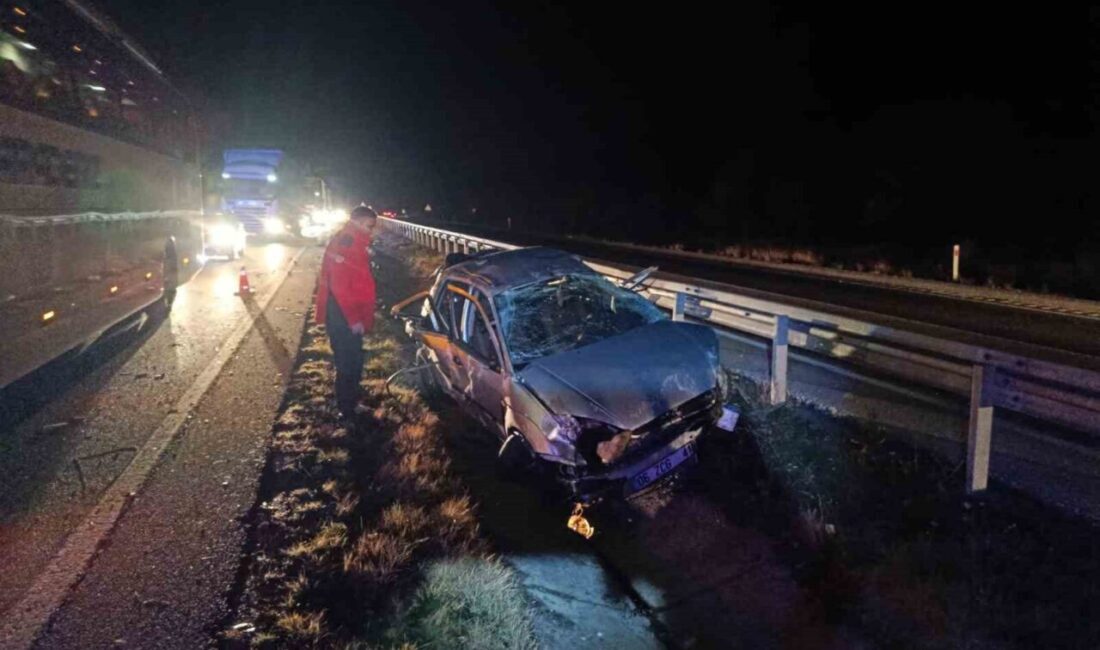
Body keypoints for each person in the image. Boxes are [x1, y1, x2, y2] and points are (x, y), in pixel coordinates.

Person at [315, 205, 378, 417]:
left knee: (354, 359)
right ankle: (347, 409)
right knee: (348, 362)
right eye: (369, 226)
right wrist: (353, 320)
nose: (371, 230)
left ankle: (351, 403)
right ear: (357, 222)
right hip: (343, 315)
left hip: (347, 313)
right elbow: (340, 287)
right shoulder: (347, 244)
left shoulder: (353, 241)